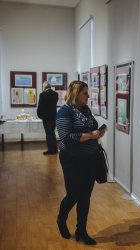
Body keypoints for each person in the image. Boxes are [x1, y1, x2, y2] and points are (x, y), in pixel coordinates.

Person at [56, 80, 105, 245]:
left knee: (85, 196)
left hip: (90, 158)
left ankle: (81, 230)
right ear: (76, 94)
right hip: (72, 159)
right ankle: (61, 220)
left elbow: (91, 127)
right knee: (74, 194)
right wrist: (91, 135)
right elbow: (66, 138)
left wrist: (98, 133)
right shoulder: (65, 111)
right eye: (85, 93)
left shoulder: (86, 109)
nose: (88, 95)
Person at [37, 81, 58, 155]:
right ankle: (55, 149)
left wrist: (40, 116)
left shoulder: (42, 95)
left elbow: (40, 107)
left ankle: (50, 150)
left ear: (44, 87)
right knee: (52, 133)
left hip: (46, 118)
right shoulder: (55, 94)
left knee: (48, 134)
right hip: (54, 117)